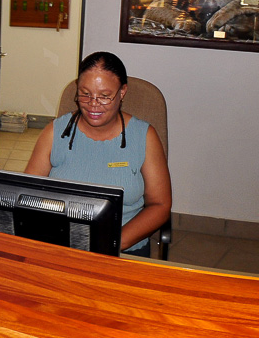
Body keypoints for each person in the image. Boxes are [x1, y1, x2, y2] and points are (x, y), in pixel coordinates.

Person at [24, 51, 171, 257]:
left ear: (122, 93)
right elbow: (26, 194)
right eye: (85, 93)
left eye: (104, 96)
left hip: (121, 247)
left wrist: (111, 242)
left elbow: (160, 205)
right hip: (61, 244)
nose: (93, 104)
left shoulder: (145, 137)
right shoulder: (54, 132)